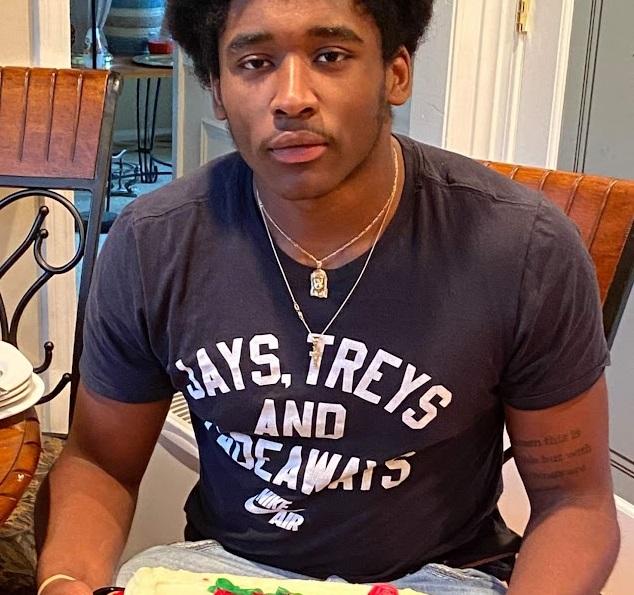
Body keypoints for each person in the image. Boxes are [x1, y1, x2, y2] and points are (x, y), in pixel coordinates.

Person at [35, 1, 620, 594]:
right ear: (216, 90)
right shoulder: (153, 243)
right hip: (225, 568)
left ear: (395, 73)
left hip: (440, 577)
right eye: (254, 63)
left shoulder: (521, 248)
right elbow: (100, 463)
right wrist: (64, 580)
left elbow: (574, 503)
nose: (291, 98)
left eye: (330, 56)